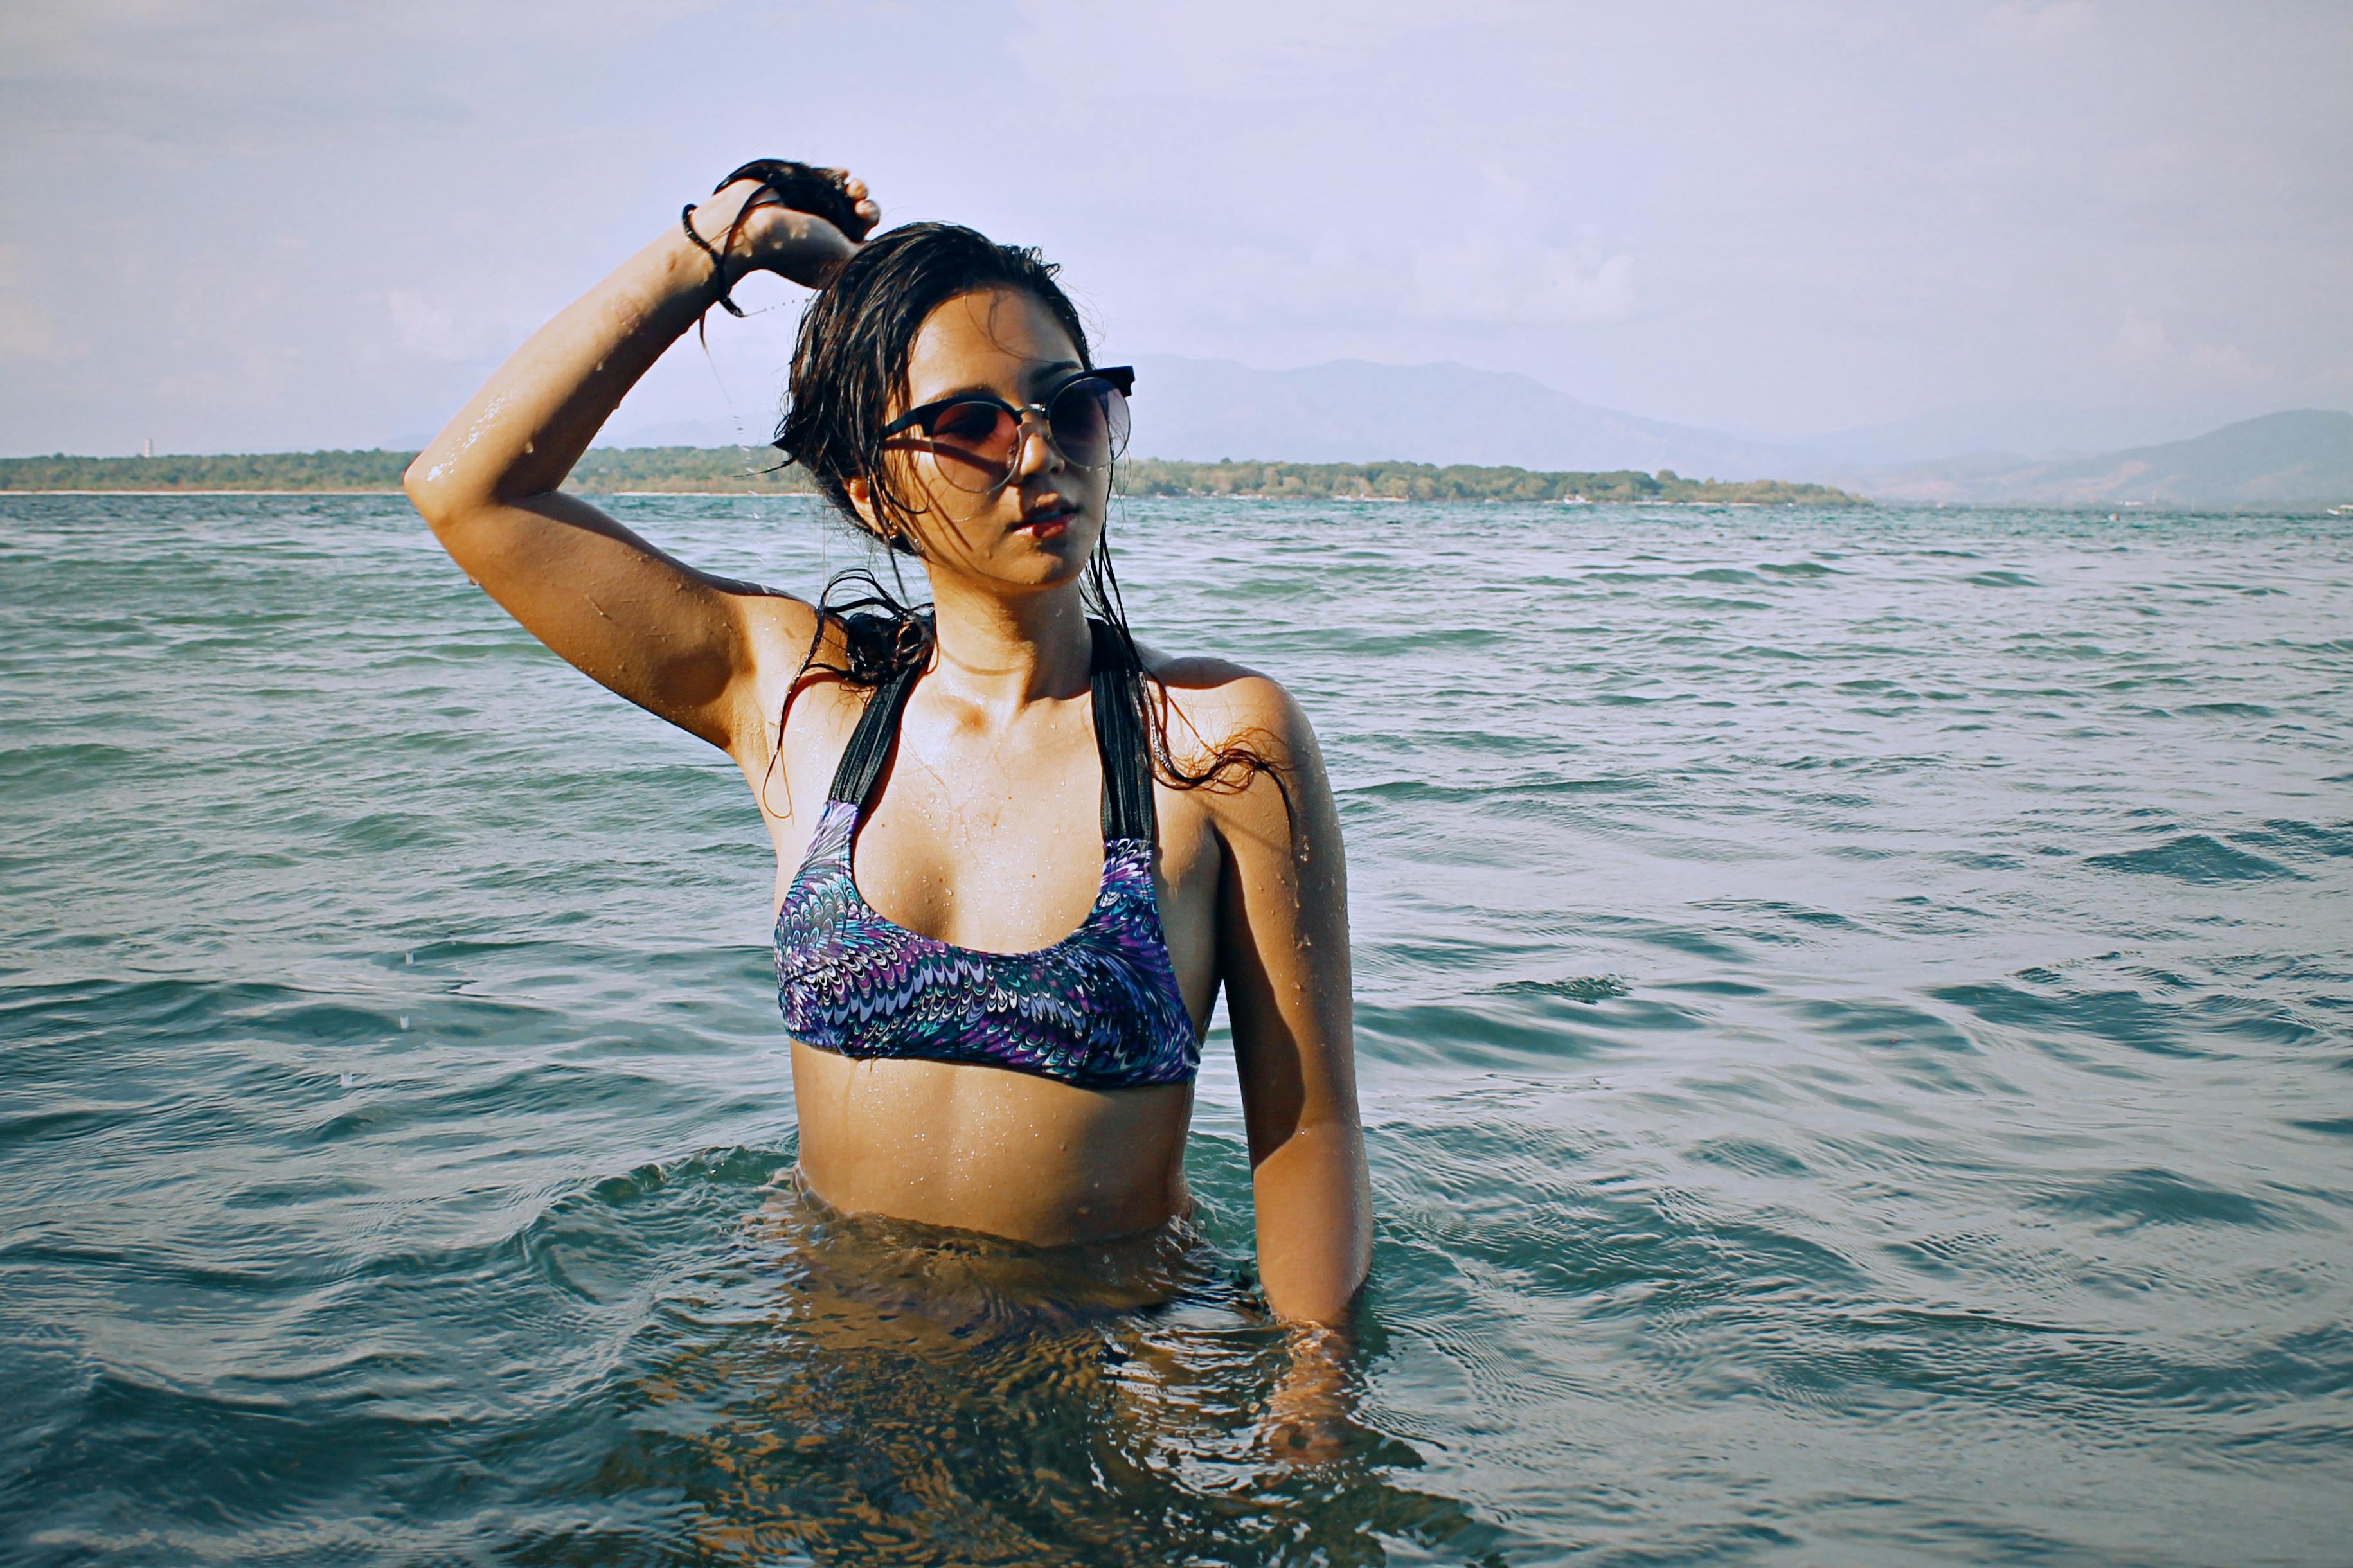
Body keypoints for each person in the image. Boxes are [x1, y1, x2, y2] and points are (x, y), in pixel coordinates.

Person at [402, 165, 1370, 1341]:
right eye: (968, 426)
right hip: (824, 1348)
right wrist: (722, 245)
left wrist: (1311, 1401)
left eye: (1068, 408)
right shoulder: (796, 702)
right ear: (871, 491)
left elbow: (1307, 1131)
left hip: (1100, 1359)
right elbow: (470, 494)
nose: (1035, 457)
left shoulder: (1214, 745)